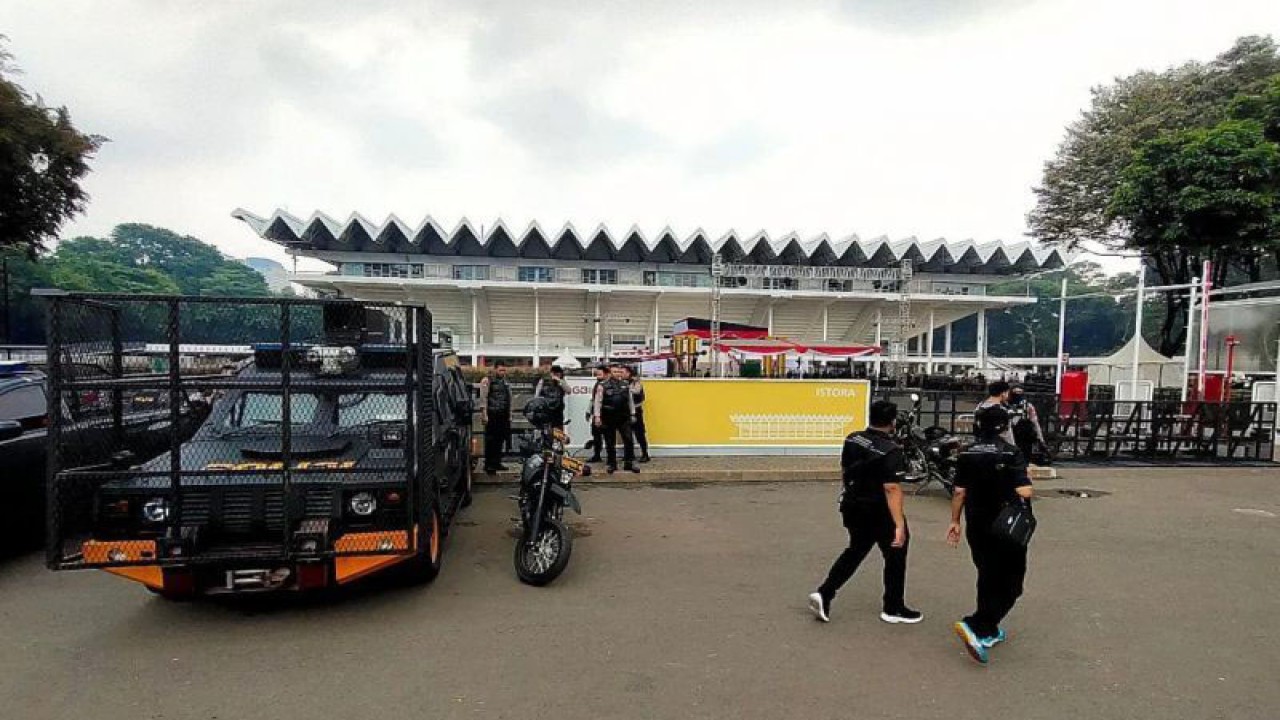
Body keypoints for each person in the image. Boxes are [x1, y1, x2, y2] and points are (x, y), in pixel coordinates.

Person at [808, 400, 922, 625]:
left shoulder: (853, 438)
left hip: (853, 505)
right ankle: (893, 607)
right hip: (879, 510)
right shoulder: (891, 450)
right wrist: (899, 525)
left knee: (856, 550)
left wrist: (848, 491)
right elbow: (892, 488)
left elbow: (845, 469)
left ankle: (825, 592)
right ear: (892, 422)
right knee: (896, 555)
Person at [947, 405, 1035, 664]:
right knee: (1013, 583)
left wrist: (954, 521)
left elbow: (959, 491)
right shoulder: (1011, 452)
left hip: (976, 521)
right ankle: (979, 624)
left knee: (986, 574)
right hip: (1006, 524)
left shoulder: (967, 452)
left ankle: (988, 628)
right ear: (1005, 426)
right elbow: (1025, 491)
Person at [593, 363, 639, 474]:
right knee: (610, 442)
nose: (618, 374)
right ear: (610, 373)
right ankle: (612, 464)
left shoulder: (626, 384)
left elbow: (630, 401)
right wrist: (597, 416)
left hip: (624, 417)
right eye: (615, 372)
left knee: (628, 440)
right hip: (608, 417)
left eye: (619, 372)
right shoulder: (602, 385)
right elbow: (598, 402)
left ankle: (629, 463)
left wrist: (633, 413)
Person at [479, 362, 512, 474]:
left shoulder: (505, 382)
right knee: (491, 440)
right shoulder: (487, 380)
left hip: (503, 415)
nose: (503, 372)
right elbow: (483, 398)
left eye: (504, 370)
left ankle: (497, 462)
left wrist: (509, 414)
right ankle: (489, 464)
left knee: (500, 440)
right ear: (495, 370)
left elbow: (509, 398)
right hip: (492, 414)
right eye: (500, 370)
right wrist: (484, 414)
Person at [1007, 385, 1048, 464]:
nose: (1018, 394)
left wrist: (1041, 439)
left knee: (1024, 458)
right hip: (1010, 435)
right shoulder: (1006, 405)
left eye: (1020, 392)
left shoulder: (1028, 406)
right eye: (1015, 392)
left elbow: (1035, 423)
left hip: (1025, 437)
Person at [622, 365, 650, 463]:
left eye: (623, 372)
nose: (621, 374)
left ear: (629, 373)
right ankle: (629, 455)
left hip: (636, 410)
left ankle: (645, 454)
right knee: (626, 434)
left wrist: (626, 388)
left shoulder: (635, 382)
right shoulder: (622, 382)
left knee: (639, 433)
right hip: (625, 411)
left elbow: (637, 392)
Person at [534, 365, 567, 430]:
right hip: (546, 410)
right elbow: (537, 394)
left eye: (559, 374)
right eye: (555, 374)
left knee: (558, 430)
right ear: (551, 373)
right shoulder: (544, 380)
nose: (557, 376)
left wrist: (560, 381)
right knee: (546, 429)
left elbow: (568, 390)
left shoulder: (561, 381)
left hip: (558, 411)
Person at [586, 364, 607, 463]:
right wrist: (589, 410)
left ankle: (611, 458)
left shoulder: (608, 385)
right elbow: (594, 399)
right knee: (596, 435)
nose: (597, 376)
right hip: (596, 413)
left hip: (606, 414)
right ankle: (597, 455)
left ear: (606, 374)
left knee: (608, 436)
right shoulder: (597, 384)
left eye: (600, 374)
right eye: (597, 374)